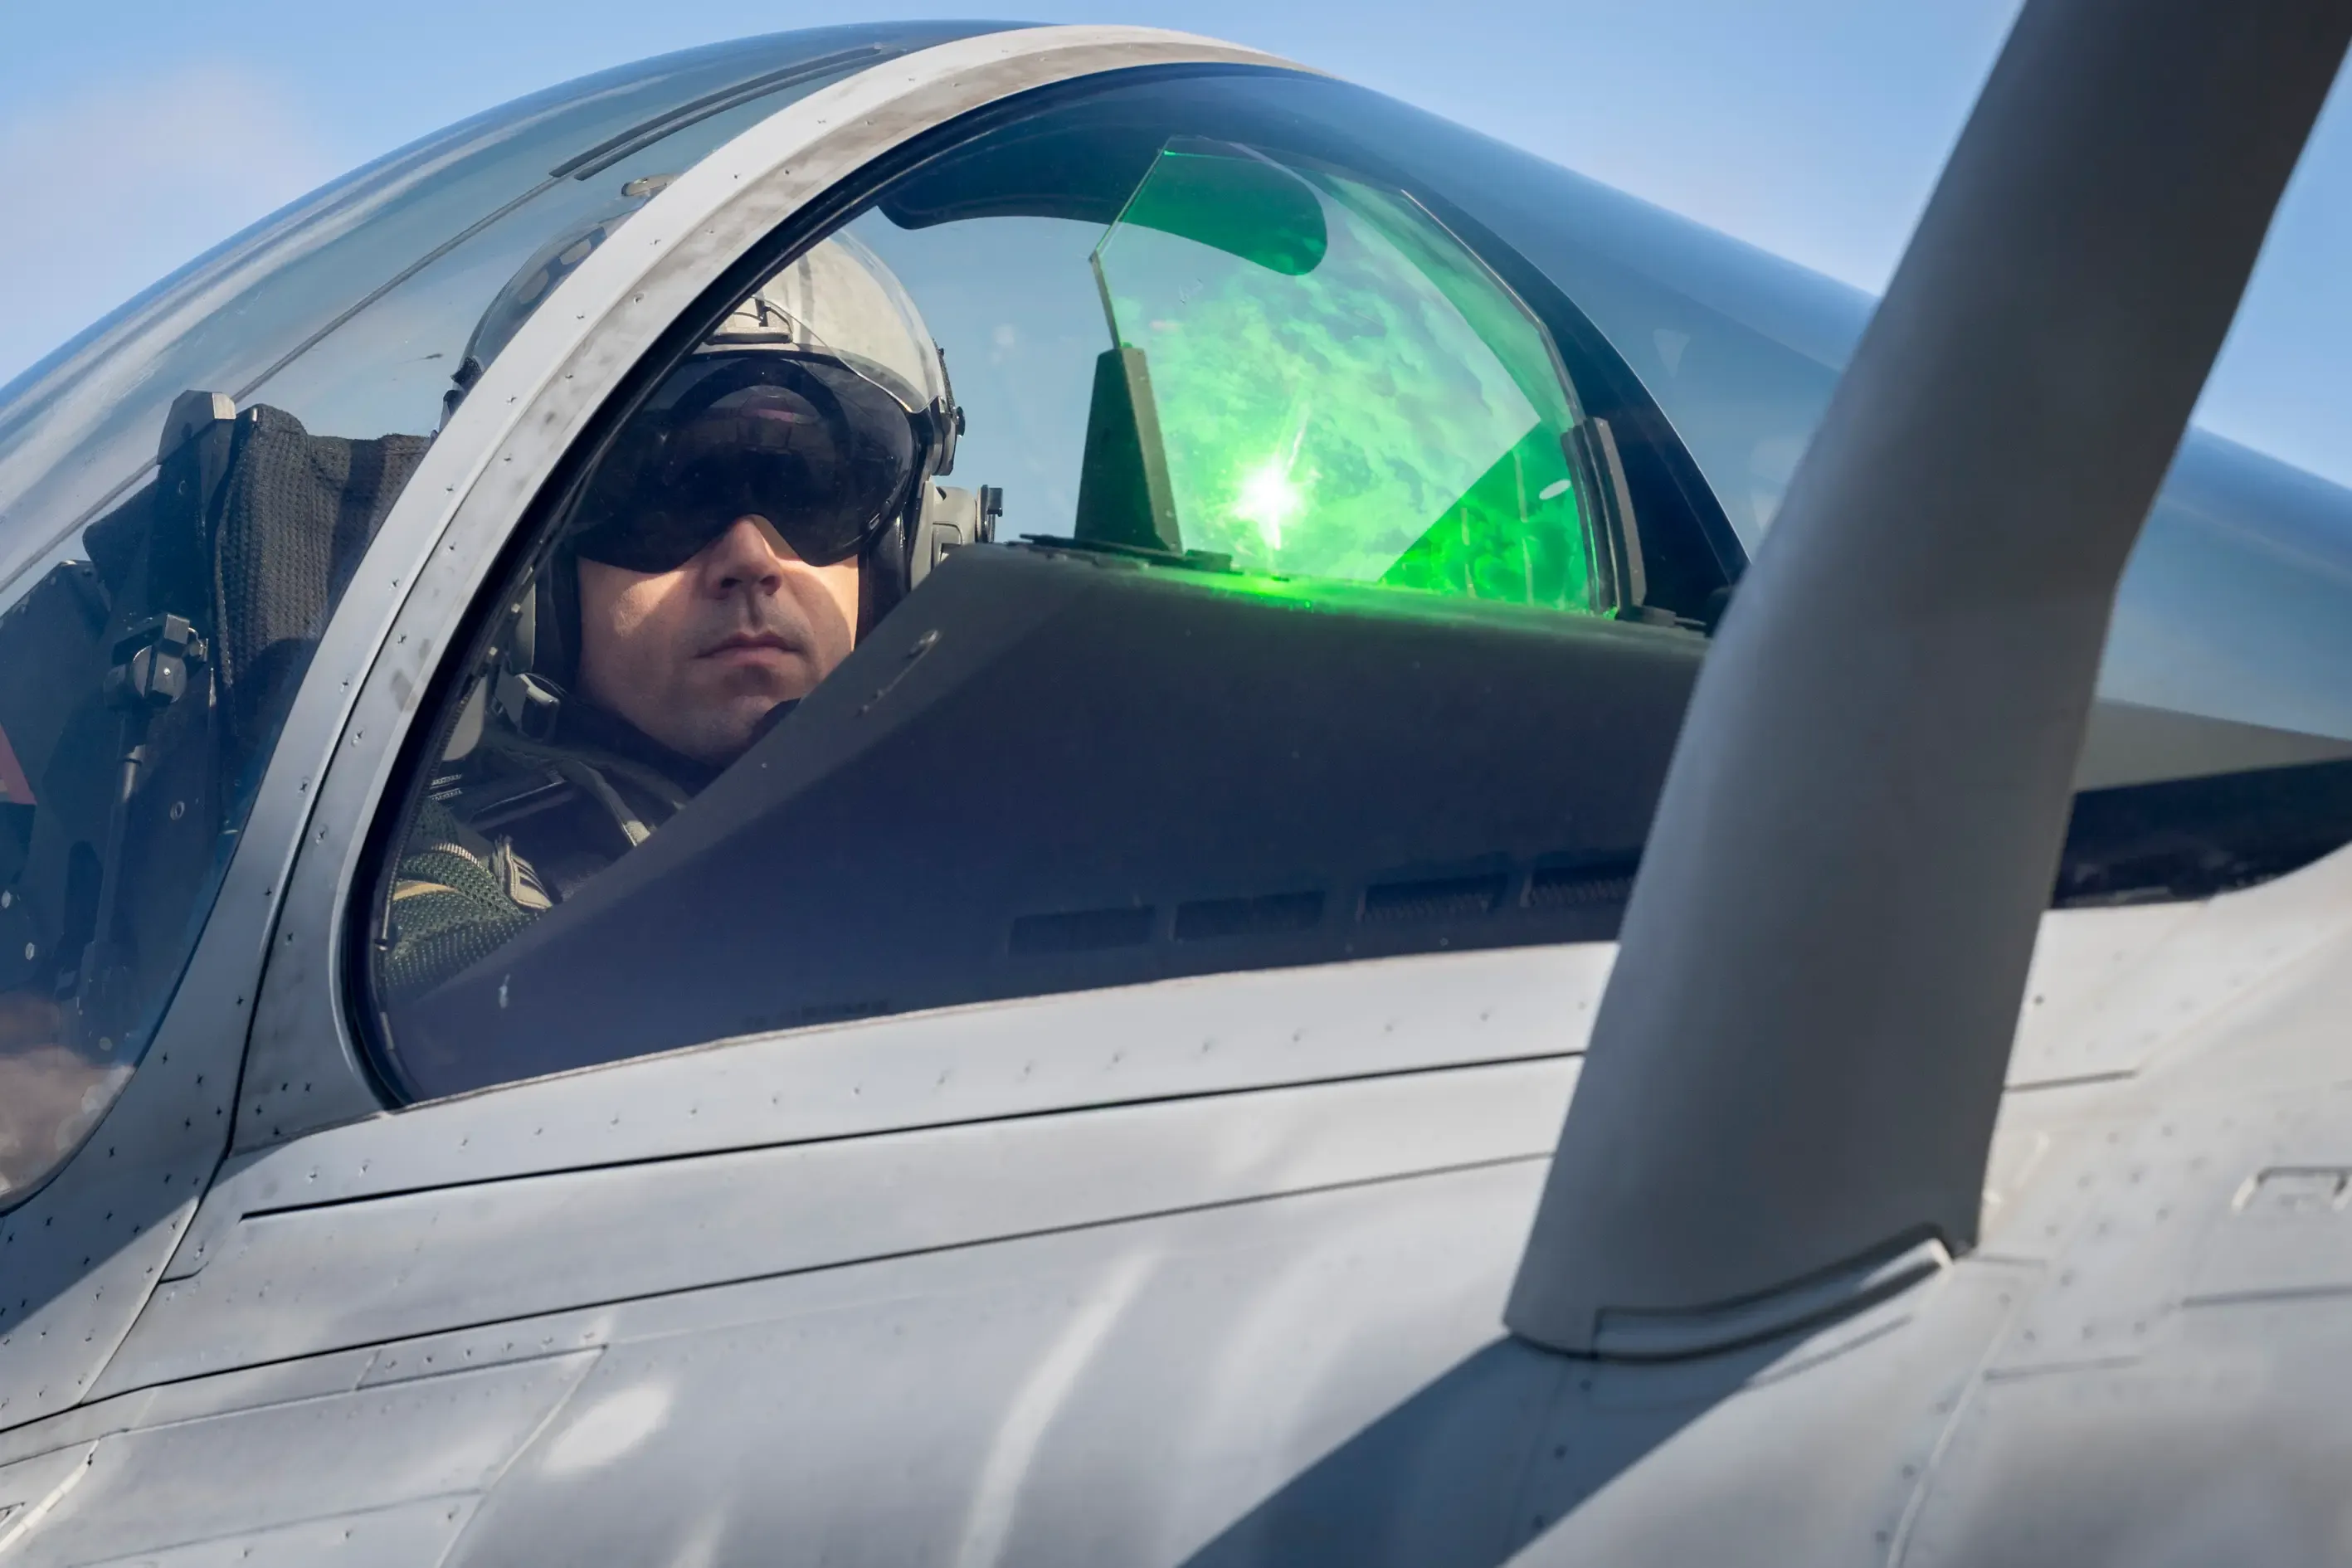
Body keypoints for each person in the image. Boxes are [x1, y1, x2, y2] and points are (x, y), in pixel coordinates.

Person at [380, 231, 968, 1001]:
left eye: (813, 489)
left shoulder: (999, 821)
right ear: (526, 574)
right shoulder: (390, 876)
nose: (751, 559)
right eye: (665, 499)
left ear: (909, 547)